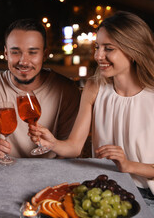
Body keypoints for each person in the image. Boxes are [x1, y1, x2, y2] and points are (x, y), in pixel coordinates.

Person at [29, 11, 154, 213]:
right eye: (97, 47)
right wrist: (52, 143)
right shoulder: (94, 87)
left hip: (148, 197)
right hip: (105, 190)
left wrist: (128, 165)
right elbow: (74, 147)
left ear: (132, 51)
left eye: (108, 49)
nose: (98, 56)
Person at [0, 18, 81, 159]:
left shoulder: (66, 90)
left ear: (45, 54)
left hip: (51, 176)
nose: (23, 61)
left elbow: (70, 150)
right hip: (1, 174)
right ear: (6, 54)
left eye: (33, 52)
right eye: (16, 52)